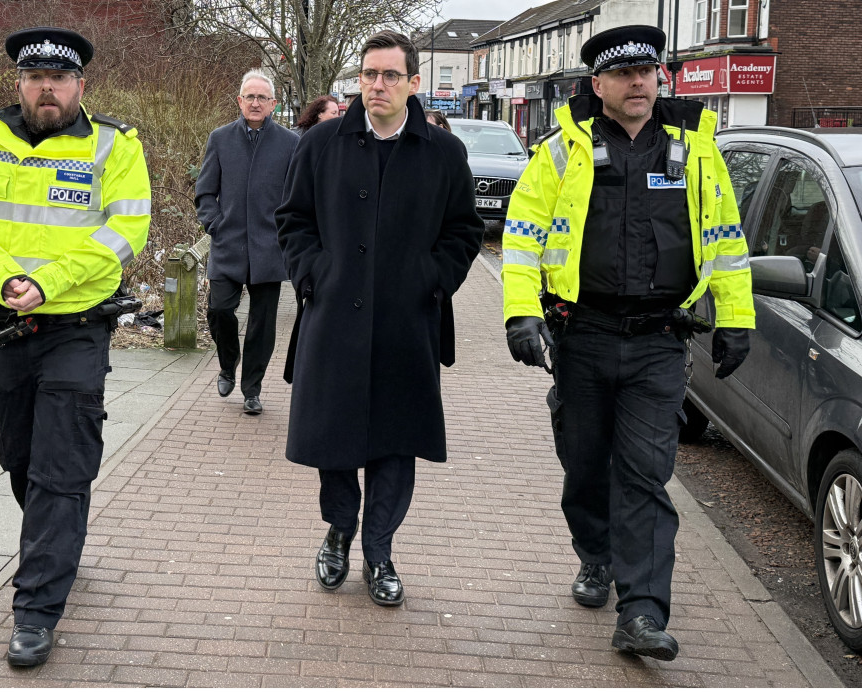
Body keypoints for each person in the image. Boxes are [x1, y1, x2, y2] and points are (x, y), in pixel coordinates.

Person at [502, 25, 755, 660]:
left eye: (647, 70)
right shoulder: (562, 151)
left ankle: (641, 612)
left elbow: (726, 239)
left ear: (659, 77)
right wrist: (519, 314)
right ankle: (595, 555)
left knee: (644, 475)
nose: (637, 81)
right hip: (581, 335)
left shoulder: (696, 153)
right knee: (585, 467)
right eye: (622, 74)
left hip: (659, 340)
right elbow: (523, 235)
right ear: (598, 85)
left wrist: (736, 317)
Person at [0, 27, 151, 667]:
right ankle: (60, 538)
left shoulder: (115, 145)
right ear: (20, 83)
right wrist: (5, 279)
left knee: (61, 463)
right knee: (17, 451)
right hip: (4, 325)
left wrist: (47, 283)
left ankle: (37, 609)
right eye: (34, 78)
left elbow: (127, 228)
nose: (46, 89)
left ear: (81, 85)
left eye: (59, 79)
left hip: (76, 327)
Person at [276, 30, 483, 607]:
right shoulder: (319, 145)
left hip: (406, 325)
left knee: (395, 444)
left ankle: (381, 551)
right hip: (335, 321)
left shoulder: (443, 153)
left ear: (414, 83)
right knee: (334, 440)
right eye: (369, 74)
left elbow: (464, 231)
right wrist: (316, 273)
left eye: (391, 75)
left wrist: (432, 279)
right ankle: (340, 530)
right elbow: (293, 220)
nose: (378, 85)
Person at [195, 70, 299, 414]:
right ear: (239, 101)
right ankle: (228, 363)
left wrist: (286, 232)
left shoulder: (290, 143)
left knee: (262, 325)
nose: (255, 103)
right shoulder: (220, 139)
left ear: (273, 104)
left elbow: (297, 197)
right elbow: (206, 191)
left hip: (270, 249)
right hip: (229, 244)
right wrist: (215, 224)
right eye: (249, 97)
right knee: (219, 310)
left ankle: (251, 389)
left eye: (262, 98)